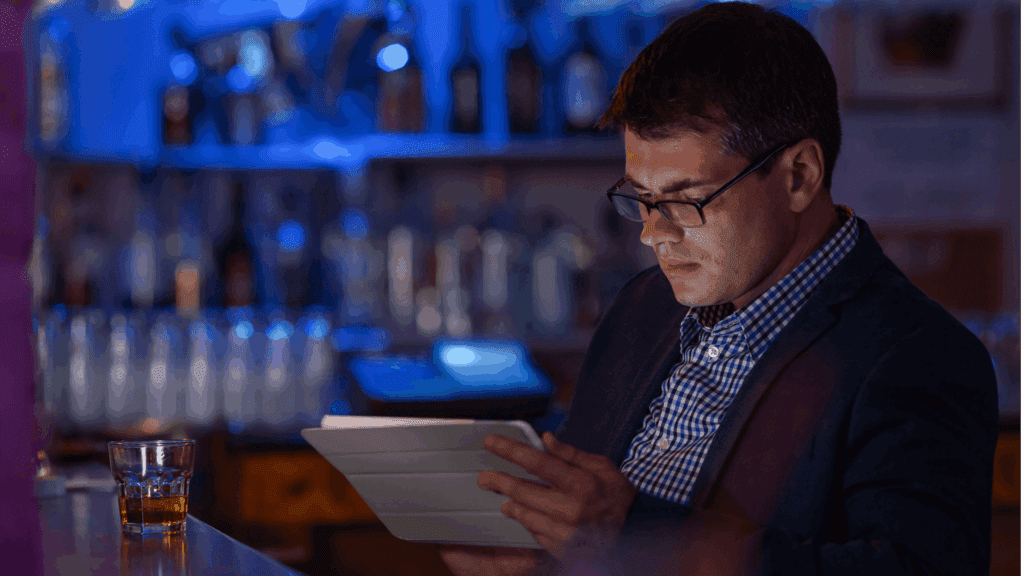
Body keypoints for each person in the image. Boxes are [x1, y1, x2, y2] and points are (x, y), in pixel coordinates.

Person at [439, 2, 998, 576]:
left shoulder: (919, 357)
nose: (654, 235)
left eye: (685, 199)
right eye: (643, 199)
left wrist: (634, 537)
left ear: (799, 176)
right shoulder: (642, 308)